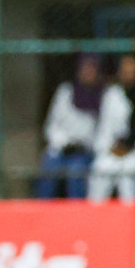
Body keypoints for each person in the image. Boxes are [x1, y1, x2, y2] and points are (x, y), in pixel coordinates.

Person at [35, 54, 104, 199]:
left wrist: (82, 144)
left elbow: (102, 131)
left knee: (76, 171)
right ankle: (42, 212)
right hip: (61, 148)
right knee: (49, 166)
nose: (87, 73)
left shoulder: (103, 95)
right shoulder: (66, 91)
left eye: (91, 69)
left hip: (84, 150)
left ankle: (76, 215)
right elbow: (52, 125)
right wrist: (62, 143)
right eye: (84, 69)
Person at [89, 66, 135, 203]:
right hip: (111, 149)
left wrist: (129, 148)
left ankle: (129, 217)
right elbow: (105, 128)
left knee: (129, 174)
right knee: (101, 169)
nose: (128, 76)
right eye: (125, 72)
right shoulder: (112, 95)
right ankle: (93, 217)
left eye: (131, 72)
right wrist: (111, 148)